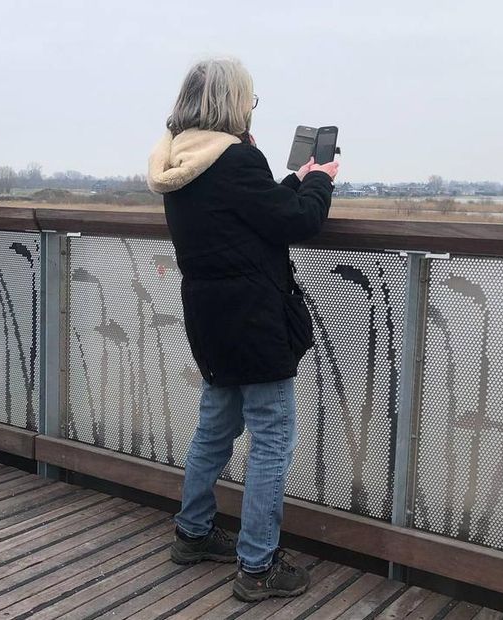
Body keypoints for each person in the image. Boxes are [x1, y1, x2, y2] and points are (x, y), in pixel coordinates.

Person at [147, 58, 337, 602]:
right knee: (271, 439)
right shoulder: (236, 160)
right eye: (250, 101)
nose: (253, 109)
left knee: (215, 429)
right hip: (255, 321)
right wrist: (320, 183)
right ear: (234, 104)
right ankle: (257, 565)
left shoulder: (178, 158)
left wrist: (292, 182)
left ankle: (193, 532)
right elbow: (296, 222)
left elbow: (249, 213)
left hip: (210, 318)